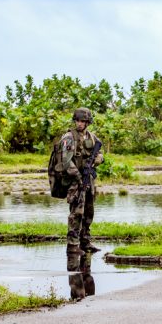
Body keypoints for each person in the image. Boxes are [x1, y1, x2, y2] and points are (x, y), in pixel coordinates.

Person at [57, 107, 104, 254]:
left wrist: (97, 160)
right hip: (74, 180)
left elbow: (101, 154)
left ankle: (85, 242)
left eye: (83, 121)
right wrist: (77, 176)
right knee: (76, 212)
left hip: (89, 179)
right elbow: (65, 161)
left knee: (89, 212)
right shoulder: (68, 137)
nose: (80, 123)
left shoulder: (92, 137)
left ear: (88, 122)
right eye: (77, 120)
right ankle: (72, 245)